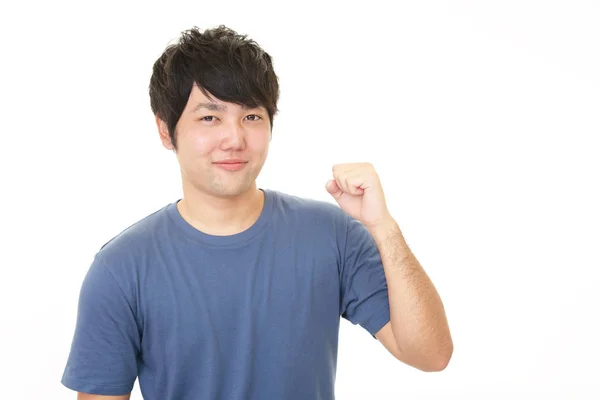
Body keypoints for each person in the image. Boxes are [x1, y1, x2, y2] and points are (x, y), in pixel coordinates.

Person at [61, 25, 453, 400]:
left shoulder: (332, 234)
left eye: (251, 117)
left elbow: (431, 354)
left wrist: (383, 228)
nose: (234, 139)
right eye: (209, 117)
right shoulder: (122, 267)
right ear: (166, 131)